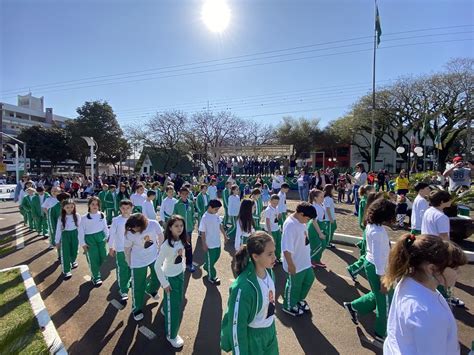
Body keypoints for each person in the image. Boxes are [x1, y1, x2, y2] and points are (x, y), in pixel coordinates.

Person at [382, 234, 467, 354]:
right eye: (454, 268)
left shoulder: (408, 281)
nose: (459, 272)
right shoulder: (427, 313)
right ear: (431, 269)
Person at [343, 199, 396, 342]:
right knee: (385, 302)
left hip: (372, 265)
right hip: (379, 269)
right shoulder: (378, 232)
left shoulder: (372, 225)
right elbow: (379, 259)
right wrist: (383, 280)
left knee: (378, 295)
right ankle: (381, 333)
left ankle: (354, 307)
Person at [221, 232, 279, 354]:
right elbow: (237, 327)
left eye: (274, 252)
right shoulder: (242, 288)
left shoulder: (269, 272)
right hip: (253, 338)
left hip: (270, 331)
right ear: (255, 256)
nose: (275, 257)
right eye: (269, 254)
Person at [420, 189, 464, 307]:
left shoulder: (429, 211)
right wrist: (451, 254)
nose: (451, 201)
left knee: (431, 274)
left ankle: (437, 296)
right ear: (442, 202)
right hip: (439, 249)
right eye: (449, 199)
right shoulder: (441, 217)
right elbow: (444, 237)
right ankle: (446, 298)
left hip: (427, 246)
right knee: (444, 274)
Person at [154, 215, 187, 348]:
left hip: (179, 275)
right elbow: (157, 266)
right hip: (170, 279)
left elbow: (179, 257)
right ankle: (171, 335)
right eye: (176, 226)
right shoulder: (166, 245)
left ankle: (165, 308)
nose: (180, 228)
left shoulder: (181, 240)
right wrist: (165, 283)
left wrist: (182, 268)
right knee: (174, 309)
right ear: (170, 227)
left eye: (181, 225)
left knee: (177, 301)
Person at [124, 213, 163, 321]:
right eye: (132, 227)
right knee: (138, 285)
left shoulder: (153, 224)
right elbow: (127, 249)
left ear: (144, 224)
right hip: (138, 261)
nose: (134, 229)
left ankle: (151, 290)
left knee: (158, 276)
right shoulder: (129, 232)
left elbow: (160, 235)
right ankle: (137, 308)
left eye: (137, 227)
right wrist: (128, 262)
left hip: (153, 256)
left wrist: (161, 249)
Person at [281, 202, 317, 316]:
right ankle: (288, 305)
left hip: (305, 261)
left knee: (309, 280)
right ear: (301, 214)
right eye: (308, 218)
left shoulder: (301, 221)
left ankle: (298, 300)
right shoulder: (290, 225)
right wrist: (291, 265)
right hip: (295, 263)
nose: (308, 221)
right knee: (294, 285)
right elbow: (286, 248)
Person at [346, 190, 382, 282]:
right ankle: (353, 269)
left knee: (368, 254)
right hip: (369, 231)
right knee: (368, 256)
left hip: (369, 231)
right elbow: (364, 219)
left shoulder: (371, 207)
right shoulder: (367, 206)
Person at [78, 196, 109, 287]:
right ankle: (96, 277)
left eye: (97, 204)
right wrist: (83, 244)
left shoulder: (102, 215)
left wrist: (107, 236)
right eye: (93, 204)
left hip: (101, 238)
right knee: (93, 258)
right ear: (89, 205)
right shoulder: (84, 218)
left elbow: (105, 227)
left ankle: (95, 269)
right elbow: (80, 232)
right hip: (90, 239)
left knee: (103, 256)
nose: (95, 206)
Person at [108, 200, 133, 301]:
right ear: (120, 209)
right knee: (123, 269)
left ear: (132, 208)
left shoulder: (135, 219)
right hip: (121, 249)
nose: (125, 210)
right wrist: (111, 247)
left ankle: (129, 281)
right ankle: (123, 290)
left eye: (128, 208)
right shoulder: (116, 220)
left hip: (133, 249)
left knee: (131, 267)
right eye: (123, 208)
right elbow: (112, 234)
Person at [199, 199, 228, 285]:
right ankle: (212, 277)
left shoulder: (216, 215)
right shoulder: (204, 218)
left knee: (216, 257)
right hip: (209, 244)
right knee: (211, 263)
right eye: (216, 209)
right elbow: (202, 232)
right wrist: (204, 244)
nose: (217, 211)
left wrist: (225, 236)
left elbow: (220, 225)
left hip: (217, 243)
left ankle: (206, 266)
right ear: (210, 207)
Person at [55, 199, 81, 280]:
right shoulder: (61, 218)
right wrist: (57, 241)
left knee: (75, 250)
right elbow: (58, 230)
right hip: (65, 235)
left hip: (75, 235)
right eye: (67, 207)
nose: (70, 209)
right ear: (63, 208)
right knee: (65, 252)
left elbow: (80, 228)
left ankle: (72, 261)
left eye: (72, 207)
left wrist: (82, 238)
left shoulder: (77, 215)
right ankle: (66, 270)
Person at [172, 187, 196, 272]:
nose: (185, 195)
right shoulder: (177, 204)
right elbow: (174, 217)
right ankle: (175, 264)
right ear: (180, 194)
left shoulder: (190, 203)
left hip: (188, 229)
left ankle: (189, 264)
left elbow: (193, 214)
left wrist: (193, 223)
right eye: (183, 194)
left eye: (186, 194)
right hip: (179, 230)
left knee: (188, 247)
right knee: (178, 246)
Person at [307, 189, 328, 268]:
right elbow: (314, 221)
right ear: (315, 198)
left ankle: (316, 260)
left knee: (323, 244)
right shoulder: (314, 207)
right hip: (314, 228)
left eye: (323, 196)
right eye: (321, 197)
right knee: (317, 245)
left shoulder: (320, 205)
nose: (323, 198)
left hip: (320, 226)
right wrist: (320, 233)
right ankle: (310, 260)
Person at [265, 194, 281, 263]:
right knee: (272, 245)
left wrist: (279, 216)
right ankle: (272, 259)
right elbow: (267, 221)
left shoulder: (276, 208)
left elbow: (277, 218)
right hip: (272, 230)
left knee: (278, 243)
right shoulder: (268, 210)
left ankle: (278, 257)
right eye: (274, 203)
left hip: (277, 228)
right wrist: (269, 232)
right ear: (270, 201)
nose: (275, 204)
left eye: (277, 203)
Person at [323, 184, 337, 249]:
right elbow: (327, 209)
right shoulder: (328, 199)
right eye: (333, 188)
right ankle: (327, 243)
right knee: (329, 231)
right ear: (330, 190)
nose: (334, 190)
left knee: (333, 228)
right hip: (329, 219)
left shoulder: (329, 198)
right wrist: (331, 218)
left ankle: (327, 242)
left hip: (331, 218)